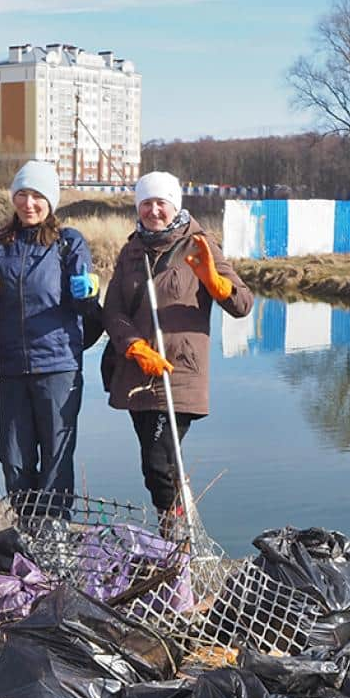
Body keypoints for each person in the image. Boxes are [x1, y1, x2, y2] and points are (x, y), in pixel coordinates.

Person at [101, 171, 253, 514]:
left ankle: (177, 538)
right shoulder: (131, 251)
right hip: (137, 372)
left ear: (175, 205)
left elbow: (243, 305)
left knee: (159, 464)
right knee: (155, 467)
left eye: (161, 203)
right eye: (146, 203)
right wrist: (133, 345)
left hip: (179, 372)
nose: (153, 211)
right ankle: (176, 534)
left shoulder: (200, 244)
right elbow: (112, 312)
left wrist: (215, 283)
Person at [0, 160, 100, 508]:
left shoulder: (67, 243)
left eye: (38, 196)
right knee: (13, 455)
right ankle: (26, 526)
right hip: (13, 366)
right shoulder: (0, 243)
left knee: (56, 456)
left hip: (58, 366)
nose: (29, 204)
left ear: (51, 201)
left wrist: (87, 292)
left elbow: (86, 308)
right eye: (22, 195)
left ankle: (54, 531)